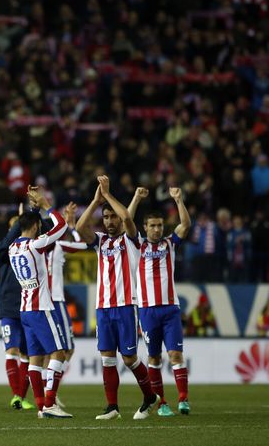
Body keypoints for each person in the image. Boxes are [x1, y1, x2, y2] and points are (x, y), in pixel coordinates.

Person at [75, 175, 158, 420]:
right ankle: (112, 407)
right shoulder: (100, 241)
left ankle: (149, 396)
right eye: (106, 217)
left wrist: (109, 194)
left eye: (113, 217)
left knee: (130, 357)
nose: (110, 221)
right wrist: (95, 200)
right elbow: (79, 228)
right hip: (103, 307)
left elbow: (128, 218)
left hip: (125, 306)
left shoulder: (131, 239)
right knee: (107, 358)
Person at [127, 186, 192, 416]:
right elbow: (127, 219)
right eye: (152, 226)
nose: (156, 229)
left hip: (170, 309)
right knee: (153, 357)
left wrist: (178, 199)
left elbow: (185, 225)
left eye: (159, 225)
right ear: (145, 228)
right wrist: (136, 198)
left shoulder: (169, 243)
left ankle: (183, 399)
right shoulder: (137, 245)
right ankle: (162, 402)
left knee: (175, 355)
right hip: (146, 311)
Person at [8, 186, 71, 418]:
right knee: (59, 354)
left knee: (35, 360)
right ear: (35, 227)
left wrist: (32, 209)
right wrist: (46, 206)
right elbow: (61, 226)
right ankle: (50, 403)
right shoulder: (36, 244)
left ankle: (41, 407)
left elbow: (28, 228)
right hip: (41, 308)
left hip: (24, 309)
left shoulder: (13, 248)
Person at [47, 202, 88, 406]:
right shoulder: (58, 245)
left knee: (50, 351)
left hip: (40, 302)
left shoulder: (34, 245)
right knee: (66, 349)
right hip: (56, 300)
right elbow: (82, 244)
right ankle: (51, 395)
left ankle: (48, 394)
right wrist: (71, 226)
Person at [0, 205, 35, 411]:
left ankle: (22, 396)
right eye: (14, 227)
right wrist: (20, 220)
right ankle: (16, 396)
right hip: (8, 307)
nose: (18, 230)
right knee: (12, 349)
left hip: (28, 306)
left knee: (28, 354)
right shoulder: (3, 250)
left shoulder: (30, 248)